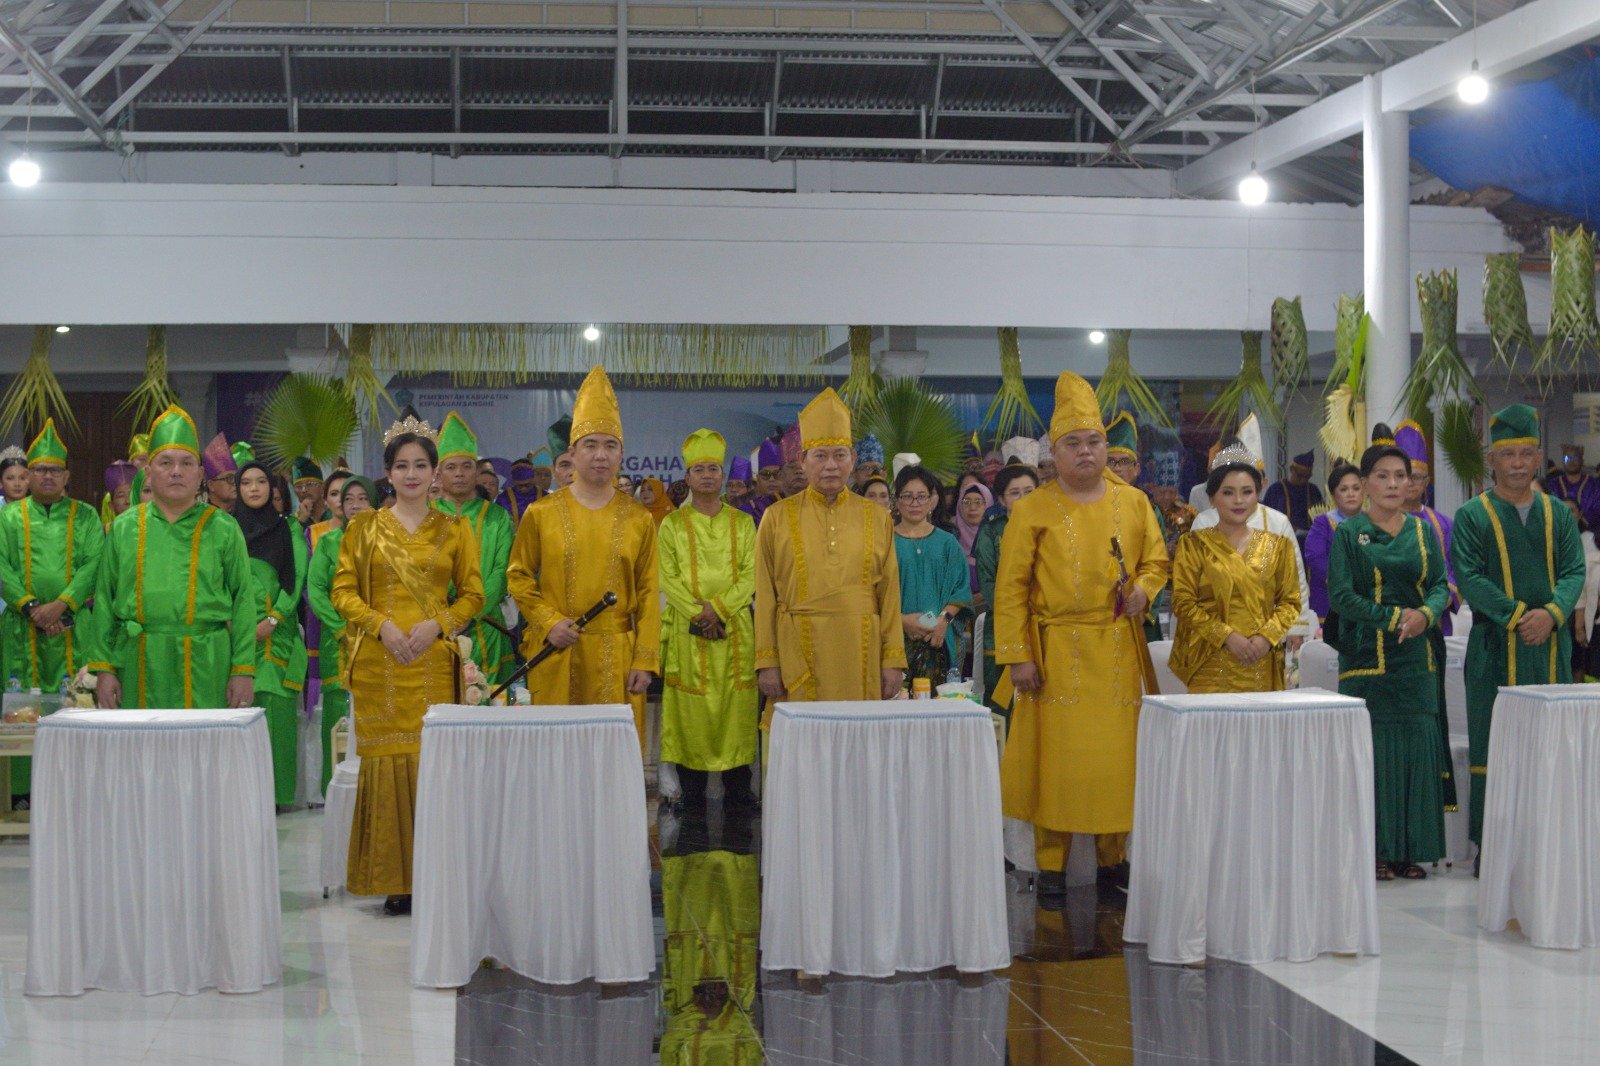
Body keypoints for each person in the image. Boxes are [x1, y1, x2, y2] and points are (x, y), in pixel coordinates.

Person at [993, 371, 1168, 904]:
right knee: (1057, 765)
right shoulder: (1032, 508)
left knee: (1116, 763)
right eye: (1073, 443)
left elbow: (1157, 562)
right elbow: (1010, 589)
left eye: (1094, 441)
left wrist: (1142, 592)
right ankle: (1050, 864)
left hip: (1117, 651)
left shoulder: (1134, 502)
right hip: (1055, 654)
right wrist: (1018, 656)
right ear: (1055, 452)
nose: (1086, 451)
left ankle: (1114, 859)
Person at [331, 414, 483, 915]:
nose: (412, 474)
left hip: (433, 663)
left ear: (435, 472)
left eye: (421, 465)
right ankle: (394, 880)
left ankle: (436, 878)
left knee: (432, 766)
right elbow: (342, 592)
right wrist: (382, 625)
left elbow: (474, 596)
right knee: (387, 766)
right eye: (402, 466)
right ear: (388, 473)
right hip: (381, 662)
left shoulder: (456, 529)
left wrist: (438, 624)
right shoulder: (364, 528)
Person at [1454, 404, 1585, 868]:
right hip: (1494, 648)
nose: (1516, 463)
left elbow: (1575, 571)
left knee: (1547, 744)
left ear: (1538, 457)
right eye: (1507, 454)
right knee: (1493, 741)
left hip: (1550, 646)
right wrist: (1517, 616)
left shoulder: (1558, 514)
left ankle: (1546, 844)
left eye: (1526, 453)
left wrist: (1552, 613)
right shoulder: (1472, 515)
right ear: (1491, 459)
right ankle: (1491, 846)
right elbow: (1469, 577)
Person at [506, 367, 660, 738]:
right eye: (590, 445)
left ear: (621, 454)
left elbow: (649, 593)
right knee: (555, 752)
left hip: (617, 658)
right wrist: (548, 621)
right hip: (556, 651)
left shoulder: (639, 518)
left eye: (610, 445)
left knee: (610, 752)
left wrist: (645, 659)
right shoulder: (540, 513)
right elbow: (519, 576)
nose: (600, 455)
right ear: (572, 454)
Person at [1328, 439, 1453, 880]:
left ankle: (1411, 851)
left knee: (1417, 750)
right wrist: (1396, 617)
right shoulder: (1349, 534)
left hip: (1418, 660)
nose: (1394, 484)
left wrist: (1426, 615)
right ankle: (1374, 850)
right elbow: (1341, 596)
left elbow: (1440, 585)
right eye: (1382, 476)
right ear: (1364, 484)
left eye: (1401, 476)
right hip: (1368, 659)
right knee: (1374, 756)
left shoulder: (1423, 531)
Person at [86, 405, 256, 710]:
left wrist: (243, 669)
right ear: (149, 472)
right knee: (142, 741)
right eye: (165, 462)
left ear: (200, 474)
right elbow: (104, 600)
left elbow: (243, 599)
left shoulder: (223, 527)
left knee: (204, 741)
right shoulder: (124, 528)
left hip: (208, 663)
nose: (176, 471)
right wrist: (104, 667)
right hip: (138, 661)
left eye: (186, 463)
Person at [755, 388, 907, 704]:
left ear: (852, 459)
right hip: (798, 650)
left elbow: (889, 592)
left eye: (839, 455)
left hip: (861, 650)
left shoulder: (877, 517)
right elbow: (765, 592)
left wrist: (893, 659)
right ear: (802, 461)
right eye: (820, 455)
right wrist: (767, 661)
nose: (830, 466)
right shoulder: (776, 516)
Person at [0, 421, 102, 802]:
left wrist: (62, 606)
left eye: (55, 470)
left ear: (66, 476)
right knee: (20, 710)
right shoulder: (8, 518)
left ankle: (75, 790)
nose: (47, 476)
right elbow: (1, 566)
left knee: (74, 706)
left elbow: (94, 564)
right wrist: (31, 607)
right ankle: (21, 793)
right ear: (28, 475)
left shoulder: (86, 517)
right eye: (40, 469)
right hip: (20, 629)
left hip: (72, 630)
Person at [658, 429, 759, 813]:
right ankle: (691, 795)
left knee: (735, 707)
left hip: (733, 629)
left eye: (713, 469)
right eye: (698, 469)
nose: (706, 475)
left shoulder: (743, 523)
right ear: (687, 477)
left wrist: (718, 609)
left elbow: (750, 574)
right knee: (691, 712)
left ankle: (739, 793)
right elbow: (667, 576)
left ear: (722, 475)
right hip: (689, 631)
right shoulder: (672, 525)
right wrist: (698, 613)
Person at [1169, 443, 1302, 693]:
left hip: (1260, 660)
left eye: (1247, 492)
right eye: (1228, 492)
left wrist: (1266, 638)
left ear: (1257, 495)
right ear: (1212, 498)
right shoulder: (1194, 545)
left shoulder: (1278, 546)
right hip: (1209, 661)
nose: (1239, 500)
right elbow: (1183, 602)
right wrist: (1226, 636)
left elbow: (1290, 602)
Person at [234, 461, 309, 810]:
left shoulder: (287, 529)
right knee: (239, 713)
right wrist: (232, 624)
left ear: (272, 487)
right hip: (236, 636)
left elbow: (295, 581)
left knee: (277, 715)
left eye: (261, 482)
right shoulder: (227, 529)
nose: (254, 488)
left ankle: (277, 797)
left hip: (275, 638)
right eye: (246, 482)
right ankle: (242, 796)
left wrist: (273, 619)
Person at [433, 412, 516, 687]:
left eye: (466, 466)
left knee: (489, 703)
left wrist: (467, 613)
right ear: (438, 473)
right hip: (435, 629)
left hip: (487, 627)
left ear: (476, 472)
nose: (459, 473)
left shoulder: (497, 517)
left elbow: (502, 572)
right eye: (451, 467)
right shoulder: (425, 516)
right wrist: (446, 617)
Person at [307, 475, 373, 794]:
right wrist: (340, 628)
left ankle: (374, 787)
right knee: (337, 711)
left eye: (363, 498)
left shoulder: (388, 540)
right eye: (349, 499)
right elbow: (316, 589)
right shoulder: (329, 543)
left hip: (379, 639)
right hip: (338, 641)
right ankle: (335, 790)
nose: (355, 505)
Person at [891, 465, 970, 688]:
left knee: (936, 703)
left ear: (930, 501)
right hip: (894, 641)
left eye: (921, 496)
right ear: (897, 501)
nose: (914, 503)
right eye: (907, 496)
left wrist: (943, 621)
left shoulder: (947, 543)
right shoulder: (884, 542)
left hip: (938, 640)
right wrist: (901, 620)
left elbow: (961, 591)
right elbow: (871, 592)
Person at [975, 463, 1038, 713]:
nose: (1023, 498)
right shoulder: (991, 532)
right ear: (1001, 499)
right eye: (1014, 493)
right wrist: (1017, 614)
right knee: (1004, 708)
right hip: (1003, 628)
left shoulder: (1050, 528)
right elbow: (988, 583)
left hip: (1045, 625)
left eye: (1029, 491)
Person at [1394, 421, 1460, 635]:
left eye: (1416, 477)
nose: (1410, 483)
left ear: (1426, 482)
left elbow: (1457, 569)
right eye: (1403, 476)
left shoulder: (1444, 525)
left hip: (1436, 620)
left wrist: (1440, 601)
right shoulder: (1380, 522)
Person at [1303, 461, 1363, 623]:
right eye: (1344, 489)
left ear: (1364, 491)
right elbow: (1315, 557)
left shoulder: (1373, 522)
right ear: (1333, 494)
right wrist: (1341, 581)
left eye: (1356, 488)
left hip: (1367, 601)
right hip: (1329, 601)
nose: (1351, 494)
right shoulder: (1323, 523)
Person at [1263, 450, 1324, 535]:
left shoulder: (1314, 491)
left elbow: (1322, 517)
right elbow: (1266, 518)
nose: (1303, 480)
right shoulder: (1275, 490)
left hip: (1308, 539)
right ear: (1291, 469)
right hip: (1281, 538)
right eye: (1300, 475)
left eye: (1307, 476)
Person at [1544, 442, 1600, 529]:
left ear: (1582, 461)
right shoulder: (1552, 485)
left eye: (1575, 458)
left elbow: (1598, 511)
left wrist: (1581, 522)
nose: (1571, 461)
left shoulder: (1595, 484)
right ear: (1563, 461)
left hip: (1590, 532)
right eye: (1567, 458)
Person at [496, 456, 542, 523]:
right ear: (514, 481)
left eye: (527, 485)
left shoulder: (545, 497)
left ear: (533, 478)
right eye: (520, 485)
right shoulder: (503, 499)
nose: (524, 488)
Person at [202, 432, 238, 509]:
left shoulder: (242, 515)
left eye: (237, 477)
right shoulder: (202, 515)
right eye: (229, 478)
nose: (235, 483)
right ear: (211, 485)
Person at [292, 457, 327, 525]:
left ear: (323, 487)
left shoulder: (335, 514)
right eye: (299, 486)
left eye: (309, 484)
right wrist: (302, 520)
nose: (304, 490)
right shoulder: (292, 522)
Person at [102, 460, 137, 527]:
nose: (128, 501)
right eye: (121, 496)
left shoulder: (151, 529)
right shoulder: (105, 532)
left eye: (131, 494)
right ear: (111, 506)